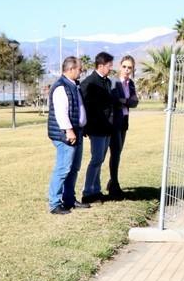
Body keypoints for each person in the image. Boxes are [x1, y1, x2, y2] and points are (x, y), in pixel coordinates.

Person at [46, 56, 87, 215]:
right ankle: (55, 203)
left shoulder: (73, 85)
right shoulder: (61, 87)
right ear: (71, 69)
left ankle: (69, 198)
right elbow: (61, 113)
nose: (81, 71)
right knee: (63, 168)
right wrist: (69, 130)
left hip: (77, 132)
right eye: (79, 69)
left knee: (74, 168)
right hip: (67, 134)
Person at [80, 51, 118, 204]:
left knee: (100, 159)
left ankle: (96, 190)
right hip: (96, 128)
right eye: (109, 66)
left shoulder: (107, 82)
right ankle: (88, 192)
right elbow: (84, 106)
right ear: (101, 66)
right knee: (96, 159)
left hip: (107, 127)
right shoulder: (89, 83)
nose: (111, 69)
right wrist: (86, 127)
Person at [107, 55, 139, 199]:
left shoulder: (130, 83)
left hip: (124, 121)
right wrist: (126, 101)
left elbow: (134, 102)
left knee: (118, 153)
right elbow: (114, 100)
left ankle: (112, 182)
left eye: (130, 67)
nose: (127, 70)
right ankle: (114, 184)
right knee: (115, 153)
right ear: (120, 67)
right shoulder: (114, 82)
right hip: (114, 122)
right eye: (124, 66)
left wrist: (124, 101)